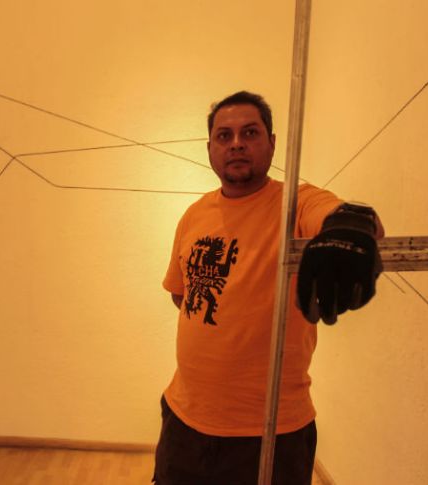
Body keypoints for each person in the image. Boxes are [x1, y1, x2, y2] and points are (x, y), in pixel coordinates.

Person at [153, 91, 384, 485]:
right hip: (184, 421)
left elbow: (342, 216)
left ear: (272, 143)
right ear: (209, 148)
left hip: (272, 431)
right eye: (224, 135)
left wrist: (351, 227)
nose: (236, 143)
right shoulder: (194, 214)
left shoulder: (297, 201)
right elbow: (182, 293)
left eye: (250, 132)